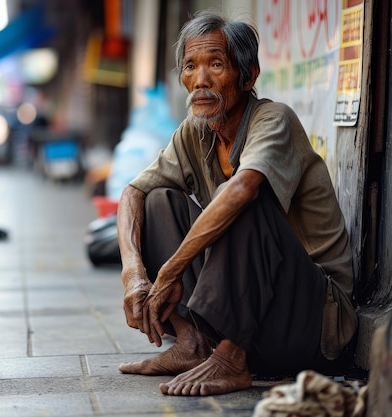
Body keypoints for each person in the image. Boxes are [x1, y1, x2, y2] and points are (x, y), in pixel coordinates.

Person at [117, 10, 358, 397]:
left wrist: (170, 272)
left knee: (243, 197)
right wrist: (134, 276)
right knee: (158, 200)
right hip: (255, 311)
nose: (200, 80)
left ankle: (231, 357)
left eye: (216, 64)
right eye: (190, 66)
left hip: (314, 320)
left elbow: (243, 189)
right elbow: (132, 192)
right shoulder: (195, 132)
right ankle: (193, 343)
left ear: (248, 76)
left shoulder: (273, 119)